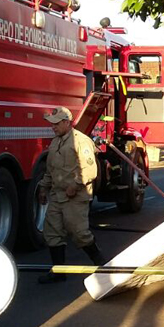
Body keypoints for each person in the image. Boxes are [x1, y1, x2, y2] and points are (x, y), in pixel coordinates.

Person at [37, 106, 106, 284]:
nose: (53, 127)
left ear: (67, 122)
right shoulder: (55, 142)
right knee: (52, 233)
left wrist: (75, 185)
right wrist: (43, 188)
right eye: (52, 124)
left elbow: (90, 169)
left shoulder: (81, 141)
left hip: (75, 197)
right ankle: (59, 272)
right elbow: (50, 171)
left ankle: (103, 266)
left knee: (80, 233)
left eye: (57, 123)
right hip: (57, 195)